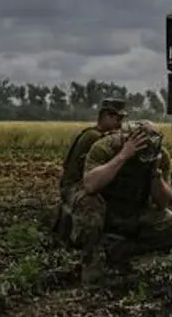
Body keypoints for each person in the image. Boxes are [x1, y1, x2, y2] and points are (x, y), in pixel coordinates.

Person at [74, 120, 172, 285]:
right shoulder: (105, 148)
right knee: (89, 203)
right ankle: (92, 258)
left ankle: (120, 248)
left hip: (134, 210)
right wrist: (123, 156)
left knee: (170, 223)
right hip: (105, 210)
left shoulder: (160, 155)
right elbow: (90, 185)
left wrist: (156, 174)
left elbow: (163, 202)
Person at [52, 97, 128, 245]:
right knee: (92, 202)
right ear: (106, 116)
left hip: (80, 182)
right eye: (117, 118)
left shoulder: (94, 135)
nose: (120, 124)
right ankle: (85, 242)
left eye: (121, 119)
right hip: (74, 186)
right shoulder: (95, 138)